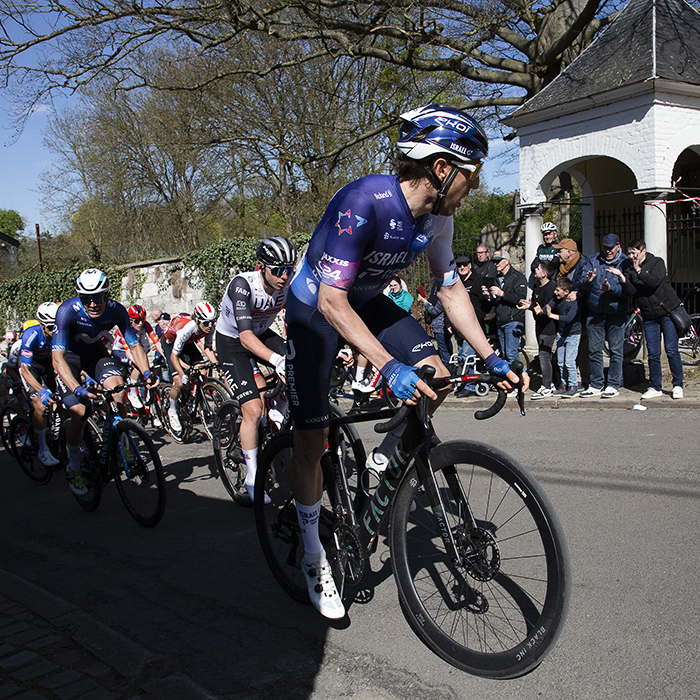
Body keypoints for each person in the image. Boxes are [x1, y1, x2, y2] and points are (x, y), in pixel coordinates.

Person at [284, 104, 526, 619]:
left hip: (366, 301)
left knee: (435, 375)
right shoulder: (363, 201)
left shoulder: (439, 217)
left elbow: (450, 287)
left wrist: (491, 356)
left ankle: (387, 454)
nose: (474, 187)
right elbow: (331, 302)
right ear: (443, 169)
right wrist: (387, 366)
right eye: (472, 173)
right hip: (315, 309)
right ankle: (311, 554)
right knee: (310, 439)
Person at [52, 269, 157, 495]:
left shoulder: (116, 310)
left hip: (95, 354)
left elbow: (134, 345)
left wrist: (147, 373)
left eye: (98, 298)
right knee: (80, 412)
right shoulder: (67, 311)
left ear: (107, 295)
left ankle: (123, 444)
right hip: (69, 359)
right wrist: (76, 387)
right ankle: (74, 465)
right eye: (87, 298)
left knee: (119, 392)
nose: (92, 304)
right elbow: (57, 358)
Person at [215, 236, 297, 501]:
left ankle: (278, 412)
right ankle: (252, 476)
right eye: (277, 270)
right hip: (233, 342)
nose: (284, 276)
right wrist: (276, 361)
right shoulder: (242, 286)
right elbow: (245, 339)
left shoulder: (287, 284)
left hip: (262, 334)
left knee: (299, 362)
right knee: (252, 410)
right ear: (261, 266)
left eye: (289, 269)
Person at [607, 238, 683, 399]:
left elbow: (654, 282)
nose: (631, 257)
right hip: (649, 315)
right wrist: (622, 278)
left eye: (634, 253)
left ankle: (678, 385)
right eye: (629, 253)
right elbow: (632, 291)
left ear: (643, 251)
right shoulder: (629, 268)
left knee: (671, 350)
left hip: (667, 311)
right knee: (653, 353)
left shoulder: (657, 262)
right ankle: (656, 387)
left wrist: (640, 271)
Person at [579, 233, 633, 398]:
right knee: (594, 350)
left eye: (611, 248)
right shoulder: (594, 260)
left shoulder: (625, 262)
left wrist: (612, 289)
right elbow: (582, 281)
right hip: (595, 311)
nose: (608, 251)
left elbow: (628, 290)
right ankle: (596, 384)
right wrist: (588, 280)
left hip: (616, 312)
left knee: (615, 350)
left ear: (618, 246)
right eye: (605, 248)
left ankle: (613, 385)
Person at [160, 303, 218, 433]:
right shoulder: (185, 329)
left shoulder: (210, 327)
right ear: (197, 320)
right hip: (171, 344)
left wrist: (217, 366)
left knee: (202, 371)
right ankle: (172, 410)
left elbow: (207, 348)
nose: (210, 326)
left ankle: (199, 400)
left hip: (188, 343)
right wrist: (182, 375)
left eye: (212, 322)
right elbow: (174, 356)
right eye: (206, 323)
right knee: (179, 382)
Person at [18, 302, 61, 466]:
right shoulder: (31, 335)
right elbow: (25, 369)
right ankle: (43, 449)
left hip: (50, 366)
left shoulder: (60, 333)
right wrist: (41, 391)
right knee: (40, 405)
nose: (54, 332)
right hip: (32, 369)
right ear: (42, 326)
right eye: (50, 328)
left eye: (56, 327)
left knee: (62, 399)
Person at [552, 237, 593, 390]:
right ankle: (567, 382)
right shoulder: (561, 266)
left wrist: (578, 293)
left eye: (560, 251)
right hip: (564, 312)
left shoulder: (583, 264)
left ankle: (584, 380)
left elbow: (585, 285)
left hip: (580, 313)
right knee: (564, 353)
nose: (557, 254)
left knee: (581, 349)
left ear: (569, 253)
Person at [518, 260, 557, 399]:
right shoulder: (537, 286)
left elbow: (545, 309)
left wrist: (533, 308)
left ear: (544, 274)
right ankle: (551, 382)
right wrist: (528, 305)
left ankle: (547, 385)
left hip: (548, 326)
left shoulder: (551, 288)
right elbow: (535, 305)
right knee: (545, 355)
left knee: (544, 356)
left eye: (538, 269)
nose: (535, 270)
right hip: (539, 325)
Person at [482, 250, 527, 368]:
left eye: (498, 261)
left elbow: (520, 299)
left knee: (512, 355)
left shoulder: (518, 277)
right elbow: (496, 303)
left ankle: (521, 379)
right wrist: (489, 296)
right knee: (505, 355)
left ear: (506, 262)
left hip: (513, 320)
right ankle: (512, 381)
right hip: (500, 321)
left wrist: (502, 293)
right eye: (494, 262)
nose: (496, 264)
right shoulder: (497, 278)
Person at [546, 277, 581, 397]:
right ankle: (563, 384)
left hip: (573, 334)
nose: (555, 292)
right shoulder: (557, 299)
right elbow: (548, 307)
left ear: (566, 291)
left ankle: (573, 385)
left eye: (558, 290)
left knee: (569, 362)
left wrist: (551, 315)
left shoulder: (573, 302)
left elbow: (569, 318)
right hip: (561, 333)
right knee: (560, 361)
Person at [528, 222, 560, 289]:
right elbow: (533, 266)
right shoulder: (541, 248)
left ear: (555, 234)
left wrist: (539, 267)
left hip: (553, 282)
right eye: (545, 234)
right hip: (540, 283)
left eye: (549, 234)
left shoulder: (558, 248)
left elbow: (553, 265)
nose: (547, 237)